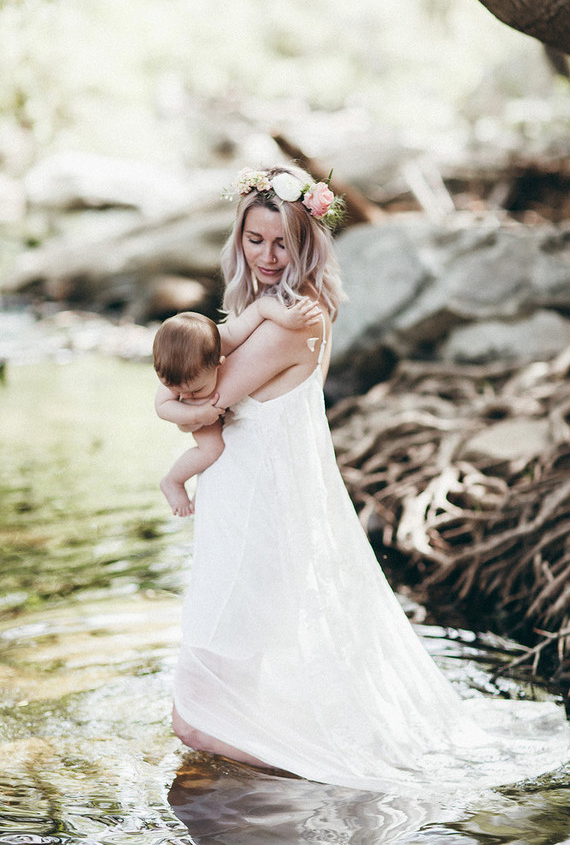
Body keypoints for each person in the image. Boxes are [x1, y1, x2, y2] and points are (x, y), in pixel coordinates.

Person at [165, 165, 569, 795]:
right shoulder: (271, 312)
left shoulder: (291, 319)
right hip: (243, 505)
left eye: (282, 242)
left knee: (197, 717)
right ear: (237, 240)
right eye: (254, 240)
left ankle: (318, 781)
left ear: (306, 245)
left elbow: (199, 403)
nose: (268, 257)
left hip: (259, 514)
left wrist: (163, 404)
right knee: (228, 691)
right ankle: (258, 794)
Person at [153, 299, 320, 516]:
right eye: (174, 388)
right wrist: (195, 412)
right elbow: (162, 407)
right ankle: (173, 481)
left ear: (219, 363)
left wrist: (286, 317)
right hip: (199, 418)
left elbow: (260, 307)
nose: (183, 395)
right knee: (212, 450)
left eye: (195, 390)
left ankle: (200, 489)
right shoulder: (176, 372)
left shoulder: (227, 337)